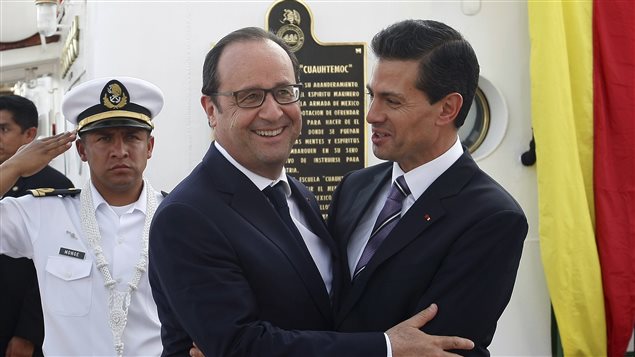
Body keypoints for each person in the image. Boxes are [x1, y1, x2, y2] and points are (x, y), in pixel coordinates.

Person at [149, 26, 474, 357]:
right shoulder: (188, 215)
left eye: (284, 92)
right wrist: (386, 348)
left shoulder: (297, 196)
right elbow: (239, 346)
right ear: (210, 110)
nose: (273, 111)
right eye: (250, 96)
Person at [327, 19, 528, 356]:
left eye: (392, 101)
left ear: (447, 108)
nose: (372, 115)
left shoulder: (493, 219)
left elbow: (438, 348)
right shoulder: (354, 186)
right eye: (371, 96)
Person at [0, 77, 165, 357]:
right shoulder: (44, 213)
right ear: (81, 150)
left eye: (131, 137)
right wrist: (14, 165)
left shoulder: (175, 217)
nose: (120, 151)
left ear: (149, 147)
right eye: (104, 138)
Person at [0, 95, 73, 357]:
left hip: (19, 323)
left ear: (30, 134)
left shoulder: (55, 186)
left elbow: (57, 265)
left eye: (4, 129)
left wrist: (28, 333)